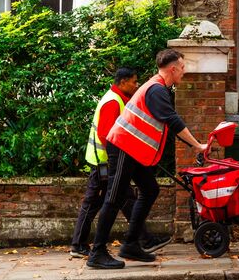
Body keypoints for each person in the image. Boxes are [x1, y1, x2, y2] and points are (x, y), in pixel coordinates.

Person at [87, 49, 207, 269]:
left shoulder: (157, 87)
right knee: (113, 198)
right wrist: (198, 145)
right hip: (123, 146)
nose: (184, 72)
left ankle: (131, 244)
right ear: (173, 69)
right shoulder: (156, 90)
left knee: (150, 189)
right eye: (182, 68)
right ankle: (97, 253)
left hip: (132, 150)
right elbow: (173, 121)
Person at [70, 67, 171, 258]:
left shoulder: (121, 100)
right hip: (104, 164)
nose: (136, 85)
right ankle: (78, 245)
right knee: (95, 202)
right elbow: (105, 136)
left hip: (110, 163)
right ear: (123, 82)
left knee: (125, 200)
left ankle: (142, 239)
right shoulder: (112, 102)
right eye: (134, 81)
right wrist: (118, 162)